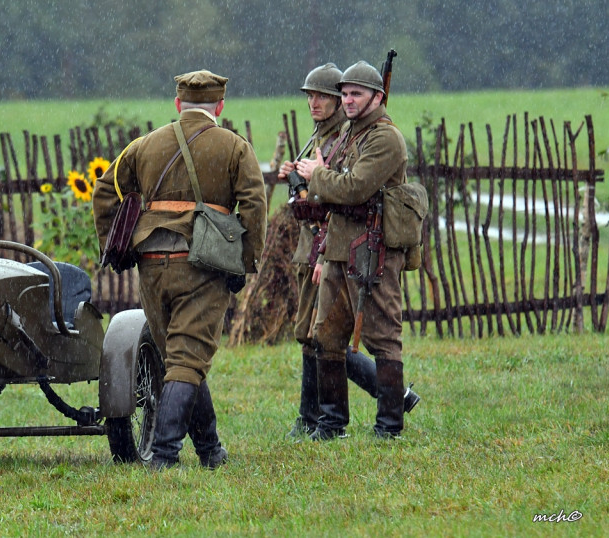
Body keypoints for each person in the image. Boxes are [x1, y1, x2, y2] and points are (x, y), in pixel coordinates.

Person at [93, 70, 267, 469]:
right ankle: (165, 456)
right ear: (219, 106)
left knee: (181, 358)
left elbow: (105, 190)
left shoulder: (145, 145)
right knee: (188, 360)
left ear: (178, 104)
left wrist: (114, 244)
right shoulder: (235, 148)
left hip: (152, 265)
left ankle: (210, 450)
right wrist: (244, 261)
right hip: (203, 265)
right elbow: (254, 207)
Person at [279, 64, 420, 438]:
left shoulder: (385, 139)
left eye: (356, 93)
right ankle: (330, 424)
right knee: (326, 336)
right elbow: (330, 195)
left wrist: (317, 176)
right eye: (345, 93)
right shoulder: (346, 135)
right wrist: (322, 253)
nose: (349, 100)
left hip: (375, 251)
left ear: (378, 96)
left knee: (385, 337)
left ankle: (389, 427)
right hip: (339, 247)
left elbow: (355, 187)